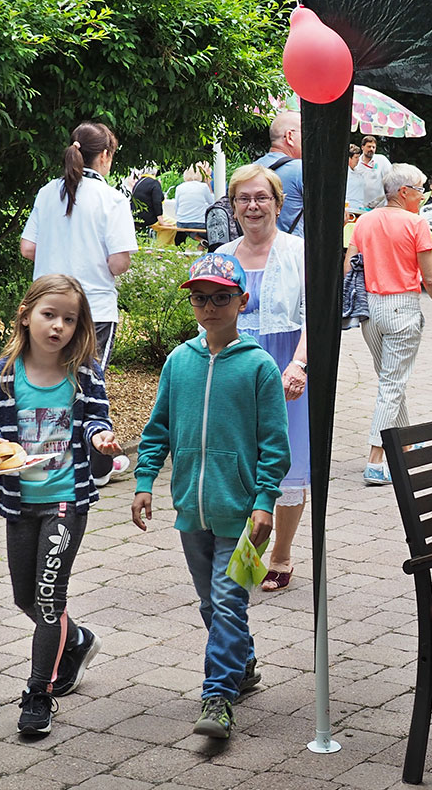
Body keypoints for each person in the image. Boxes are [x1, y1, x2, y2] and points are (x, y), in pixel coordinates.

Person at [130, 254, 290, 739]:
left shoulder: (260, 366)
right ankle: (242, 664)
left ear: (243, 301)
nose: (210, 306)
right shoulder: (179, 362)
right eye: (201, 297)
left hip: (244, 515)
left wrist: (265, 501)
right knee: (211, 602)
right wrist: (143, 482)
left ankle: (218, 697)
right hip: (191, 511)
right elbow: (157, 430)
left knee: (225, 600)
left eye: (222, 297)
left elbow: (275, 446)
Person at [0, 274, 121, 736]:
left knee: (49, 599)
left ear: (80, 326)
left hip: (66, 500)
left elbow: (99, 420)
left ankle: (39, 694)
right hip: (20, 502)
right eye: (49, 315)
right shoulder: (5, 373)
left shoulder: (86, 374)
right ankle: (76, 640)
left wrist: (101, 439)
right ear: (26, 315)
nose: (58, 326)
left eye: (69, 319)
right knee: (23, 597)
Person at [213, 164, 309, 591]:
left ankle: (281, 554)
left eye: (261, 197)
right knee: (238, 463)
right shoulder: (223, 257)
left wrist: (300, 364)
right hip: (236, 366)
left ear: (278, 202)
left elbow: (315, 315)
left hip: (285, 365)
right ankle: (242, 557)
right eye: (244, 199)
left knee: (286, 463)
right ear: (233, 206)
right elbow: (208, 318)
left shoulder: (298, 251)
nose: (253, 206)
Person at [345, 163, 432, 485]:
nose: (423, 196)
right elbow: (431, 278)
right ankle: (375, 460)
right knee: (392, 385)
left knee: (391, 380)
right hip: (401, 308)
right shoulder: (416, 223)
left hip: (370, 309)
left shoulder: (365, 221)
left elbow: (347, 264)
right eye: (421, 189)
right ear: (404, 192)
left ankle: (405, 441)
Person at [21, 121, 137, 373]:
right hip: (93, 309)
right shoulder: (113, 199)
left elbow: (28, 248)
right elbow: (118, 263)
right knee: (86, 388)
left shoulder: (47, 191)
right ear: (105, 155)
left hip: (46, 307)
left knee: (44, 380)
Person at [254, 111, 305, 235]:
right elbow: (326, 216)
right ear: (290, 136)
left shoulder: (249, 171)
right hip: (291, 251)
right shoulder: (301, 170)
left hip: (252, 250)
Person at [172, 163, 215, 246]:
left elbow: (176, 207)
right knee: (211, 232)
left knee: (187, 229)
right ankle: (202, 245)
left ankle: (200, 242)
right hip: (199, 223)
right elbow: (212, 202)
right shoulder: (203, 187)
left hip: (182, 222)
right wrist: (209, 185)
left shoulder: (179, 187)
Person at [357, 135, 392, 208]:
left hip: (379, 205)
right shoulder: (357, 162)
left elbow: (391, 178)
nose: (371, 149)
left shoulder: (381, 160)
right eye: (369, 147)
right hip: (360, 205)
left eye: (373, 147)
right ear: (362, 147)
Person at [346, 144, 369, 211]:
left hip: (360, 208)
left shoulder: (358, 172)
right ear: (349, 158)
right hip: (349, 209)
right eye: (356, 157)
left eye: (359, 157)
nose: (358, 160)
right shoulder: (345, 174)